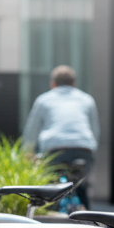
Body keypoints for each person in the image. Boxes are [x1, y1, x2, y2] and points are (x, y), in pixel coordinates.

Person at [21, 65, 100, 209]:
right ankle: (90, 221)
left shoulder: (44, 100)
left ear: (53, 84)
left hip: (55, 150)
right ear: (74, 83)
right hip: (83, 149)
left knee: (52, 190)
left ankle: (53, 217)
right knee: (81, 187)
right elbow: (95, 131)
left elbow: (31, 131)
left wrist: (27, 154)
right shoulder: (87, 99)